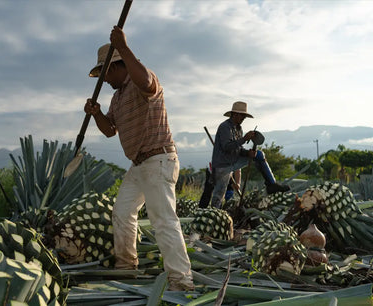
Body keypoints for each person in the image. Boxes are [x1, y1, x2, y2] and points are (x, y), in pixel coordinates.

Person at [84, 26, 194, 291]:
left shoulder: (142, 81)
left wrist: (122, 46)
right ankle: (126, 266)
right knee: (122, 212)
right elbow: (110, 131)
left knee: (163, 220)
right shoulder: (116, 98)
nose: (105, 80)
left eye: (105, 73)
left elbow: (146, 82)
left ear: (115, 67)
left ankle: (181, 281)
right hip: (138, 164)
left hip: (158, 160)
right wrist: (96, 113)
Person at [210, 101, 290, 209]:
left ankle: (271, 184)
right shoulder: (225, 127)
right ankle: (215, 214)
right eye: (242, 116)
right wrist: (244, 139)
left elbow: (238, 149)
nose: (243, 118)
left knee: (259, 155)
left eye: (244, 116)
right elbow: (227, 147)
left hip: (234, 161)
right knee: (219, 195)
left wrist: (248, 153)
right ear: (235, 114)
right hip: (222, 165)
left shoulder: (239, 129)